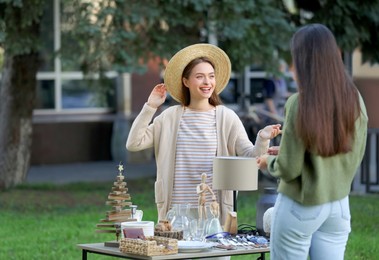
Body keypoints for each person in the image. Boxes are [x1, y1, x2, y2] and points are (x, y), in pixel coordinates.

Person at [126, 43, 281, 225]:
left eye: (211, 76)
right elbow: (134, 143)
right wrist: (150, 106)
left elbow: (252, 159)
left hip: (215, 211)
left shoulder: (226, 117)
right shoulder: (169, 117)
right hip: (176, 212)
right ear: (186, 81)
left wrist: (262, 138)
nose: (207, 82)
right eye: (200, 77)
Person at [257, 24, 368, 260]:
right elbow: (346, 152)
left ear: (302, 60)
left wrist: (270, 161)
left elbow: (289, 168)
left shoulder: (299, 102)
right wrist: (286, 153)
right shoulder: (355, 98)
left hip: (301, 204)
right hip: (339, 205)